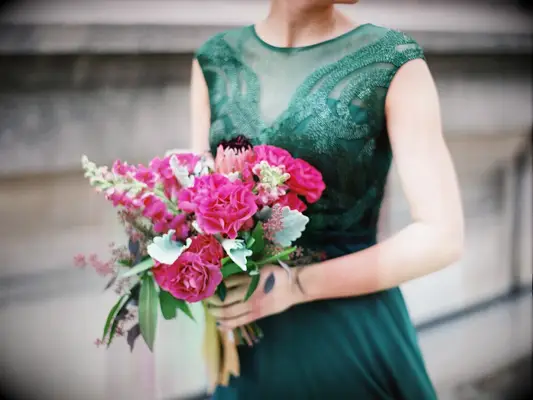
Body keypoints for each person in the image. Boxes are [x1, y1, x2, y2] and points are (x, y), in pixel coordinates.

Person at [190, 0, 464, 398]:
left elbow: (442, 237)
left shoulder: (395, 63)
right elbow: (193, 192)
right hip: (249, 348)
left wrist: (296, 285)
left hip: (351, 337)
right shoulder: (213, 61)